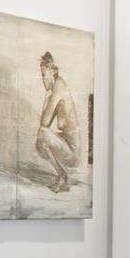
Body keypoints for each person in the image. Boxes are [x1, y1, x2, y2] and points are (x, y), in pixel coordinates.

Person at [34, 51, 79, 193]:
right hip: (68, 146)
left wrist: (47, 96)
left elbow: (44, 123)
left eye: (43, 75)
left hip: (73, 152)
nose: (42, 79)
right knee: (40, 141)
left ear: (52, 72)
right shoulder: (58, 86)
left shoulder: (59, 87)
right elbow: (45, 121)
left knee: (42, 135)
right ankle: (62, 175)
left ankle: (62, 177)